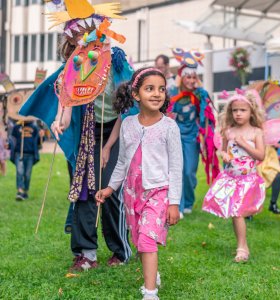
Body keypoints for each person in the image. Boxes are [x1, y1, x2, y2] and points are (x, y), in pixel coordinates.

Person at [20, 1, 133, 270]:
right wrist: (61, 121)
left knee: (109, 189)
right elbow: (66, 101)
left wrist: (109, 148)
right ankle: (86, 253)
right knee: (84, 189)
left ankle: (120, 249)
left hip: (114, 129)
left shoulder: (115, 59)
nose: (84, 41)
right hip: (87, 131)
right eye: (76, 38)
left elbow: (125, 108)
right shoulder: (73, 65)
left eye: (88, 34)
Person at [96, 67, 182, 300]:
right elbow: (123, 162)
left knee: (146, 237)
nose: (157, 94)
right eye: (150, 88)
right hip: (132, 193)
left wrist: (174, 203)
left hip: (159, 191)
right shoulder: (128, 124)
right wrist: (110, 188)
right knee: (140, 239)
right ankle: (152, 274)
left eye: (161, 89)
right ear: (136, 95)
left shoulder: (169, 127)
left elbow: (176, 168)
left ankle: (150, 292)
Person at [202, 89, 265, 262]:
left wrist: (245, 144)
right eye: (235, 110)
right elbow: (222, 150)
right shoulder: (228, 131)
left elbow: (261, 155)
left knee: (237, 212)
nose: (238, 114)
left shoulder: (256, 132)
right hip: (231, 179)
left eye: (242, 110)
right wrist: (224, 155)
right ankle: (242, 245)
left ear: (251, 111)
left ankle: (242, 248)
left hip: (248, 180)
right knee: (235, 213)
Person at [168, 49, 219, 218]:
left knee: (189, 172)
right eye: (187, 77)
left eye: (193, 77)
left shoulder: (200, 95)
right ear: (181, 77)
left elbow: (207, 115)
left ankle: (188, 201)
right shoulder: (173, 95)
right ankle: (179, 206)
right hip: (175, 138)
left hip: (192, 138)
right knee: (178, 171)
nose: (190, 81)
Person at [8, 120, 40, 200]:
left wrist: (41, 136)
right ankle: (20, 191)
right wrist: (9, 145)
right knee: (20, 172)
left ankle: (25, 191)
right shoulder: (17, 127)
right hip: (19, 154)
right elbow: (12, 140)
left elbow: (38, 142)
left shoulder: (34, 127)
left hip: (30, 154)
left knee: (27, 174)